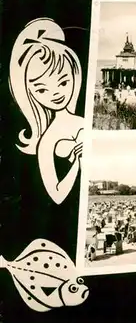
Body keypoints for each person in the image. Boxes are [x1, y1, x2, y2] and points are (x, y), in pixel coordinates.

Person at [9, 18, 84, 205]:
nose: (56, 93)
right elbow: (57, 196)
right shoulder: (47, 141)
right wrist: (77, 162)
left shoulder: (85, 120)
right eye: (42, 89)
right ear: (28, 93)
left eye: (64, 82)